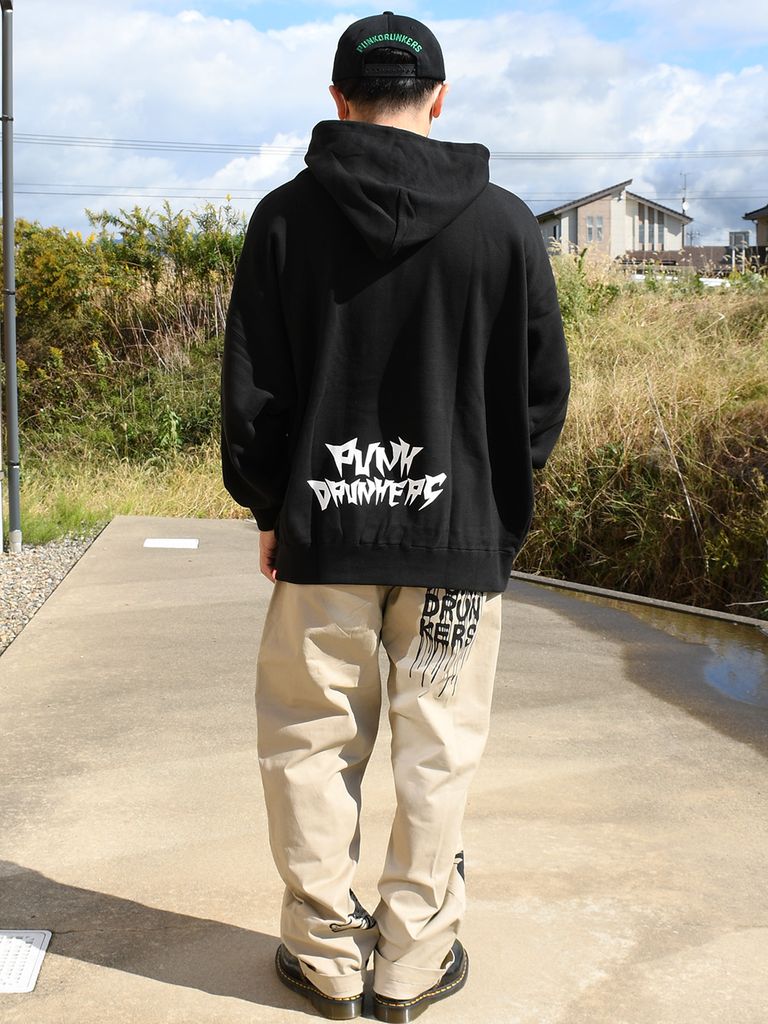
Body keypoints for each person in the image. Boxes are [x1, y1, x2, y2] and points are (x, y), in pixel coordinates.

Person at [221, 10, 569, 1022]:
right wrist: (493, 507)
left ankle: (327, 958)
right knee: (438, 751)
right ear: (440, 99)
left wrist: (269, 505)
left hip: (325, 536)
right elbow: (542, 393)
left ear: (337, 99)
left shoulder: (284, 219)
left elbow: (254, 390)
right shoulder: (505, 225)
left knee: (308, 742)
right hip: (455, 546)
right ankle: (413, 964)